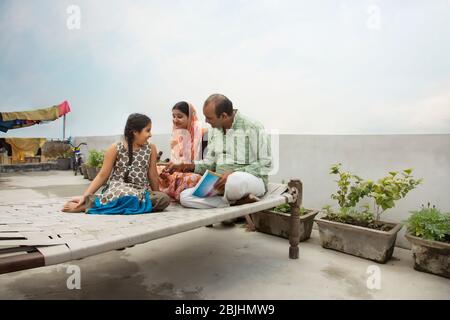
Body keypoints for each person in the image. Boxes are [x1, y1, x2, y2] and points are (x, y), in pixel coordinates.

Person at [167, 94, 272, 209]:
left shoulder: (252, 126)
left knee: (234, 181)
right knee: (185, 197)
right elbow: (209, 164)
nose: (206, 121)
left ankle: (230, 203)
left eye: (209, 118)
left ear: (223, 116)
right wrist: (185, 165)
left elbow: (266, 163)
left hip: (249, 181)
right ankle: (236, 204)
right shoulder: (214, 131)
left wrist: (233, 173)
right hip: (221, 184)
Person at [62, 113, 170, 214]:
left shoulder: (151, 148)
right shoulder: (116, 148)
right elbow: (102, 175)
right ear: (135, 132)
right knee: (127, 196)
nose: (150, 135)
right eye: (147, 130)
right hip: (119, 190)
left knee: (163, 199)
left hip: (141, 192)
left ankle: (101, 203)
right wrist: (85, 196)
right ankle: (87, 204)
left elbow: (153, 175)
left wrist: (157, 194)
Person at [158, 101, 205, 201]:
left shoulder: (203, 134)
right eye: (173, 116)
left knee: (193, 179)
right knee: (156, 170)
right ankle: (172, 190)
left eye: (179, 116)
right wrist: (170, 168)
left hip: (196, 175)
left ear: (190, 117)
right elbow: (174, 161)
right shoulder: (177, 136)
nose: (175, 120)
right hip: (179, 175)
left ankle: (172, 190)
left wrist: (182, 165)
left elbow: (204, 165)